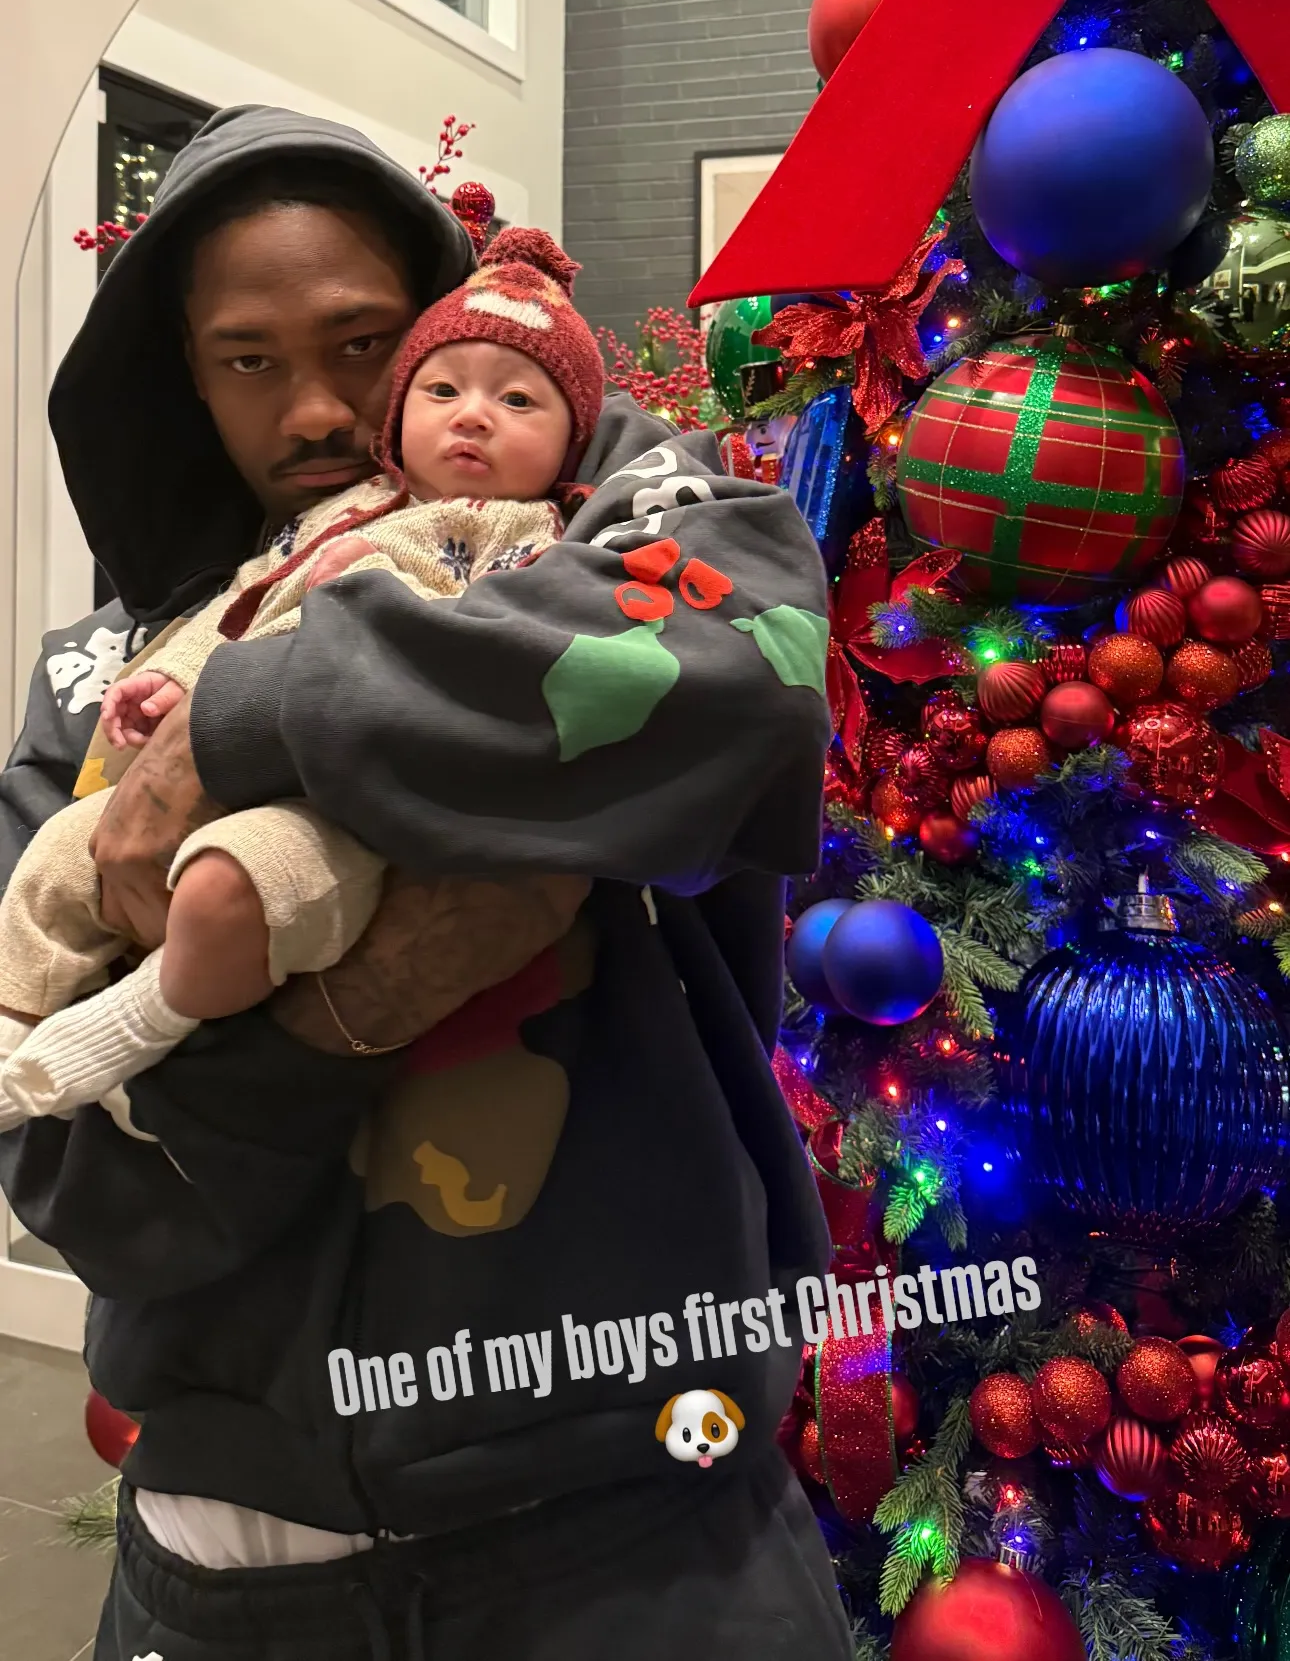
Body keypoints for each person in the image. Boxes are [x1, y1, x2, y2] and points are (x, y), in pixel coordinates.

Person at [0, 105, 851, 1660]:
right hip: (218, 1580)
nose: (320, 406)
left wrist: (253, 719)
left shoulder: (622, 509)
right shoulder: (92, 690)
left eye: (365, 341)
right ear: (185, 381)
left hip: (637, 1537)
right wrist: (350, 1004)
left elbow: (743, 683)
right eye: (248, 358)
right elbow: (78, 1183)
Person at [0, 227, 602, 1125]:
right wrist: (174, 683)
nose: (473, 416)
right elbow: (247, 600)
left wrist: (259, 703)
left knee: (231, 887)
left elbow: (504, 665)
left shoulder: (532, 534)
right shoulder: (337, 514)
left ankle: (139, 1031)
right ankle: (14, 1018)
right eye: (442, 390)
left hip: (337, 804)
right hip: (167, 1233)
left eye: (361, 345)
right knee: (55, 857)